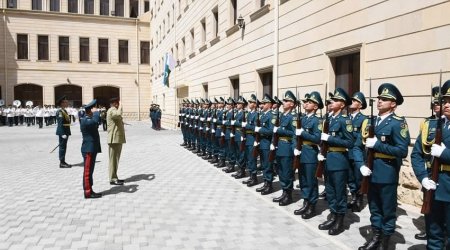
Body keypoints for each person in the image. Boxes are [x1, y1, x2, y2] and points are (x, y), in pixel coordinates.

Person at [355, 83, 410, 249]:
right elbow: (357, 146)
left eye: (384, 99)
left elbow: (402, 151)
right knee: (374, 207)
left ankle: (385, 242)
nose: (379, 101)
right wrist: (360, 165)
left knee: (387, 209)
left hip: (387, 172)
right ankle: (376, 236)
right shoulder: (369, 121)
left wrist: (377, 145)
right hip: (369, 171)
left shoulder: (398, 124)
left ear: (393, 104)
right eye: (379, 98)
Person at [411, 83, 450, 249]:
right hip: (433, 187)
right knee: (433, 235)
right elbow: (416, 155)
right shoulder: (431, 125)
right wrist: (423, 178)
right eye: (445, 100)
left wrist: (445, 154)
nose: (446, 104)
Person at [317, 88, 354, 236]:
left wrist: (330, 139)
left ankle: (340, 219)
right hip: (327, 159)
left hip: (339, 161)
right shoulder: (329, 119)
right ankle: (333, 215)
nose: (331, 102)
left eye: (335, 100)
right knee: (330, 190)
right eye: (332, 100)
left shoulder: (345, 121)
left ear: (342, 105)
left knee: (339, 192)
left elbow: (350, 142)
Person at [293, 91, 323, 219]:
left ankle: (312, 205)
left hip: (310, 153)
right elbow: (295, 135)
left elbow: (317, 139)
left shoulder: (317, 121)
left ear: (316, 107)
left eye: (310, 102)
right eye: (306, 102)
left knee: (311, 181)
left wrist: (303, 134)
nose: (306, 104)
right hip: (301, 152)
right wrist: (295, 147)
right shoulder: (303, 119)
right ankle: (306, 201)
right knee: (303, 179)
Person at [272, 90, 297, 206]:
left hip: (287, 147)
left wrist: (280, 130)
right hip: (280, 147)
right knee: (281, 171)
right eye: (284, 100)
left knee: (287, 172)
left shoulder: (293, 117)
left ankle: (289, 195)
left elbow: (293, 133)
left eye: (286, 101)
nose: (284, 102)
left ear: (292, 104)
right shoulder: (282, 115)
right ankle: (284, 192)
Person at [347, 92, 368, 212]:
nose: (352, 102)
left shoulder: (364, 119)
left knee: (358, 177)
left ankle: (359, 199)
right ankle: (353, 196)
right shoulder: (346, 118)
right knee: (350, 177)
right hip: (347, 152)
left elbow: (362, 137)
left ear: (360, 105)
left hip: (357, 153)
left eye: (355, 101)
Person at [80, 99, 102, 199]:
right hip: (88, 149)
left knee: (90, 170)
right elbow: (95, 121)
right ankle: (88, 192)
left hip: (91, 148)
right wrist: (96, 112)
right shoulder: (86, 120)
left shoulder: (89, 118)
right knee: (88, 171)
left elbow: (98, 122)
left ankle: (90, 189)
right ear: (90, 110)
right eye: (94, 108)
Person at [254, 93, 275, 195]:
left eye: (264, 103)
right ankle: (266, 183)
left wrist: (260, 129)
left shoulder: (271, 116)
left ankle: (269, 185)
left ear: (270, 104)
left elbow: (271, 131)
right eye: (262, 103)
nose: (262, 105)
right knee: (263, 164)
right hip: (262, 142)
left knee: (267, 165)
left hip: (267, 143)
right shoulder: (263, 115)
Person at [107, 97, 126, 185]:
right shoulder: (112, 110)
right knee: (113, 160)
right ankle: (113, 179)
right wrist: (121, 106)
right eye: (118, 103)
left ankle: (115, 176)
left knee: (115, 159)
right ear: (115, 103)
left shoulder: (113, 110)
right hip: (114, 139)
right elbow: (118, 115)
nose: (119, 105)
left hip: (116, 139)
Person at [56, 95, 72, 168]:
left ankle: (63, 161)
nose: (67, 103)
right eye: (65, 102)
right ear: (62, 103)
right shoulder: (60, 112)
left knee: (64, 147)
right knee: (62, 147)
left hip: (66, 131)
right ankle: (62, 163)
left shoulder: (64, 110)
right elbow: (60, 123)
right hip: (63, 132)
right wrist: (62, 133)